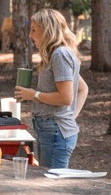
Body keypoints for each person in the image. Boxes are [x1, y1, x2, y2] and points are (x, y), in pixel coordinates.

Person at [14, 9, 89, 168]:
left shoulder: (60, 55)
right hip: (50, 130)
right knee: (46, 182)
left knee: (52, 186)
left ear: (47, 30)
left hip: (55, 132)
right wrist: (70, 116)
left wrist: (34, 95)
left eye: (34, 29)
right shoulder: (54, 54)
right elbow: (82, 88)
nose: (30, 35)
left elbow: (66, 98)